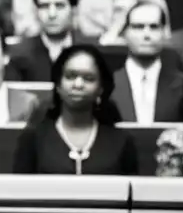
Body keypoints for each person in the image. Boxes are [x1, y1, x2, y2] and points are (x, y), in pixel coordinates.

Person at [12, 45, 139, 175]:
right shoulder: (34, 139)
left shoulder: (121, 141)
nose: (78, 84)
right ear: (58, 85)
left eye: (88, 78)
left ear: (101, 88)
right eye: (70, 76)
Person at [11, 0, 97, 82]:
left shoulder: (92, 50)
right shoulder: (20, 53)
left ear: (74, 10)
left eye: (59, 6)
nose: (52, 14)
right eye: (44, 6)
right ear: (35, 12)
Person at [111, 2, 183, 124]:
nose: (146, 35)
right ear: (124, 33)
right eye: (138, 27)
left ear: (165, 33)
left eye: (154, 27)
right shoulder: (107, 84)